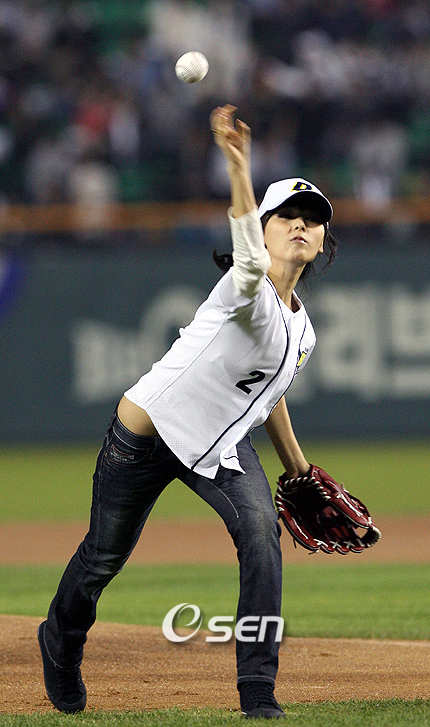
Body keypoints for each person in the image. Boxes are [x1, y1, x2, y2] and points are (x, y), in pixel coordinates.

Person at [38, 104, 337, 719]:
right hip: (146, 436)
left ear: (323, 240)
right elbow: (245, 250)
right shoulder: (245, 286)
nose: (300, 226)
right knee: (102, 557)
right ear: (265, 228)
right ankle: (61, 641)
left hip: (220, 449)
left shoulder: (303, 329)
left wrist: (299, 470)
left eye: (312, 220)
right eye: (287, 216)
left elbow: (270, 397)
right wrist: (238, 166)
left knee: (261, 535)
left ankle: (257, 690)